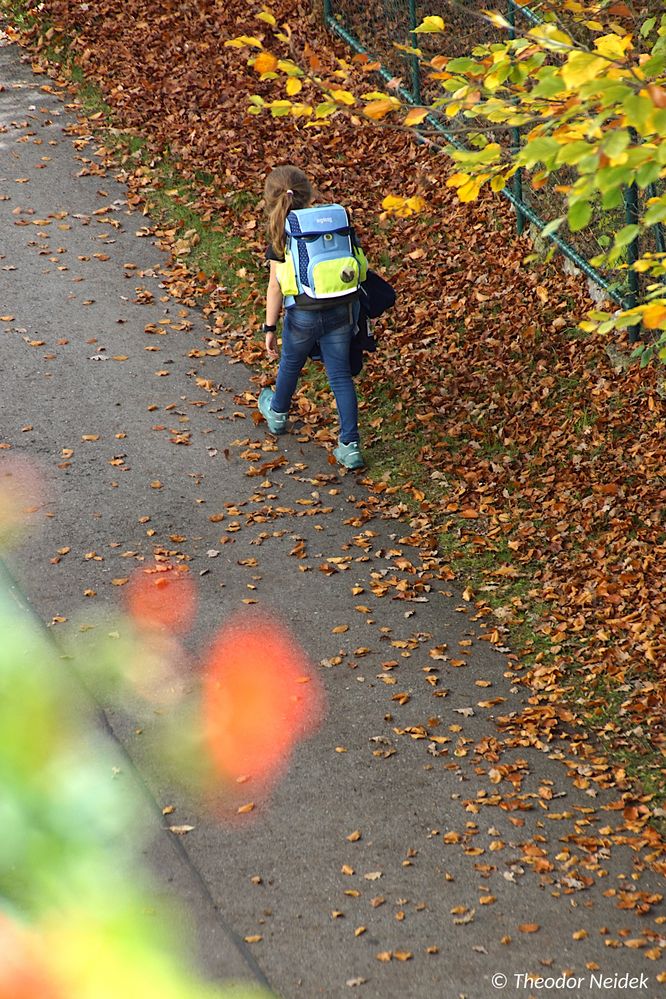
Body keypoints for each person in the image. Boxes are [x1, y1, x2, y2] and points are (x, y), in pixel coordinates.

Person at [258, 164, 366, 470]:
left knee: (290, 363)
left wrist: (269, 327)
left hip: (302, 315)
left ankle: (277, 414)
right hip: (340, 310)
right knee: (340, 377)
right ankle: (350, 446)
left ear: (270, 199)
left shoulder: (283, 231)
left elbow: (275, 287)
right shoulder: (330, 223)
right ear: (308, 194)